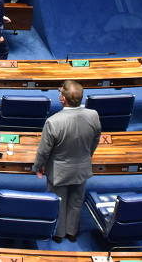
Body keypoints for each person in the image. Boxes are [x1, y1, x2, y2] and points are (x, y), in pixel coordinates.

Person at [33, 80, 102, 243]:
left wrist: (38, 166)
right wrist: (87, 155)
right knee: (76, 201)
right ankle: (72, 232)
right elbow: (96, 139)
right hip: (82, 167)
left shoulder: (53, 122)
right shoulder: (93, 115)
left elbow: (44, 150)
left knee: (58, 202)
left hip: (59, 171)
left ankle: (58, 234)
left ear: (63, 99)